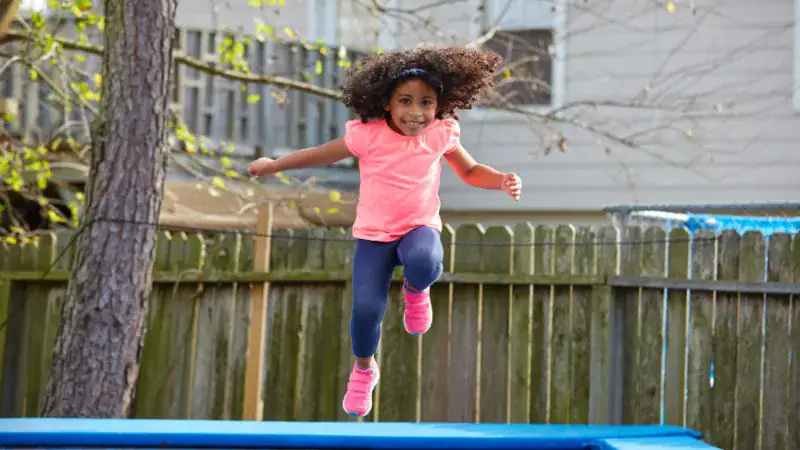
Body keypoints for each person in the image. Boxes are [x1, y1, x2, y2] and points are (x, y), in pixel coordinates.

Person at [247, 45, 522, 418]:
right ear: (387, 103)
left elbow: (470, 172)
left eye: (426, 103)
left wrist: (501, 180)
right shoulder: (368, 136)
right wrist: (274, 165)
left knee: (425, 260)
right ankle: (364, 369)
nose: (416, 112)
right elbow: (322, 155)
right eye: (405, 101)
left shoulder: (441, 134)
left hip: (417, 227)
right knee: (364, 310)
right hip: (374, 237)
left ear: (438, 106)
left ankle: (415, 289)